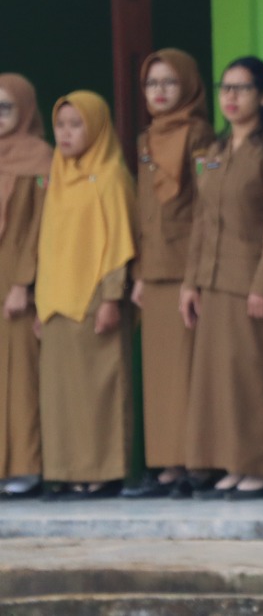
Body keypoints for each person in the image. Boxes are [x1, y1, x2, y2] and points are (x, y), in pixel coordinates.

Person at [181, 56, 263, 500]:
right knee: (220, 380)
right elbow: (202, 219)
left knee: (252, 378)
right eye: (225, 88)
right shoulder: (214, 153)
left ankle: (258, 465)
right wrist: (190, 282)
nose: (231, 97)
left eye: (242, 88)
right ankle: (232, 463)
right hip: (213, 279)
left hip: (248, 281)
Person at [124, 49, 214, 499]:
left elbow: (205, 208)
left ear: (189, 86)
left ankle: (190, 463)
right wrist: (140, 271)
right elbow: (144, 208)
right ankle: (163, 465)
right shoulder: (145, 139)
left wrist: (193, 277)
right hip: (155, 269)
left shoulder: (200, 136)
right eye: (151, 84)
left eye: (169, 83)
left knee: (185, 370)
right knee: (159, 373)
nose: (159, 92)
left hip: (185, 270)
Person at [36, 91, 136, 499]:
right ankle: (70, 472)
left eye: (77, 125)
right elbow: (48, 243)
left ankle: (104, 473)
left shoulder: (111, 175)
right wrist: (41, 302)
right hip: (57, 301)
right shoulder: (56, 174)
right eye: (61, 124)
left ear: (95, 127)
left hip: (94, 300)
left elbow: (119, 241)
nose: (66, 133)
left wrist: (112, 297)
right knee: (62, 397)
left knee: (100, 391)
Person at [0, 73, 49, 500]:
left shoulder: (40, 160)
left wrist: (24, 283)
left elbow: (41, 226)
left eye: (5, 108)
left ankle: (26, 466)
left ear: (25, 109)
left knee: (21, 376)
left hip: (16, 281)